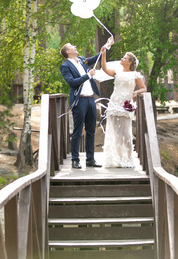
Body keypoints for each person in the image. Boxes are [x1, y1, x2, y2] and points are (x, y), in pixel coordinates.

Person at [60, 38, 114, 169]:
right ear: (68, 52)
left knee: (91, 130)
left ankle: (90, 159)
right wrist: (88, 75)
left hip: (90, 99)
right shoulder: (65, 66)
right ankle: (75, 160)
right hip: (79, 101)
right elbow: (72, 82)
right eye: (72, 46)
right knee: (78, 131)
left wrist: (106, 46)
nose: (75, 46)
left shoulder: (83, 60)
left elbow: (96, 58)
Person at [100, 47, 147, 168]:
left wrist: (136, 93)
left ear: (130, 62)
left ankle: (128, 158)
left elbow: (144, 88)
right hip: (115, 103)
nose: (122, 59)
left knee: (126, 133)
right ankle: (118, 158)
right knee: (116, 133)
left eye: (124, 58)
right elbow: (104, 68)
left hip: (126, 104)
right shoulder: (117, 71)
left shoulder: (135, 75)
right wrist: (103, 54)